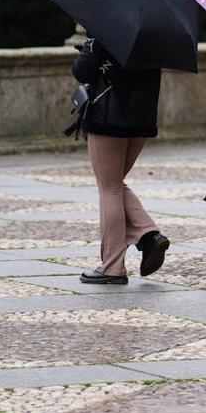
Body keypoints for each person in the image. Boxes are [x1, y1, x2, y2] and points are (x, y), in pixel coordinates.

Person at [70, 36, 170, 285]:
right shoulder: (156, 36)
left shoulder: (108, 29)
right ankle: (147, 235)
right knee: (114, 182)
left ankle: (112, 266)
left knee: (109, 187)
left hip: (109, 118)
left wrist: (88, 48)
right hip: (142, 120)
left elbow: (81, 71)